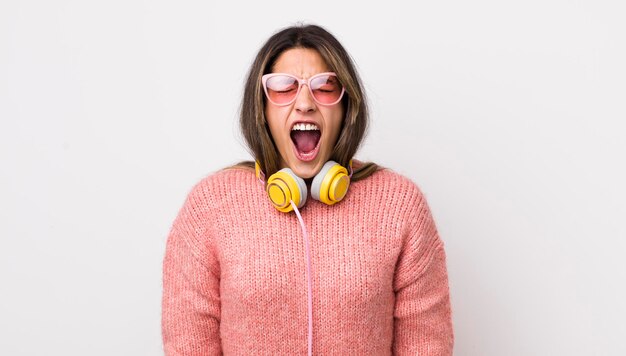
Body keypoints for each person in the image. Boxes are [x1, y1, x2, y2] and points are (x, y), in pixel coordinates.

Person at [161, 24, 454, 355]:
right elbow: (189, 344)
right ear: (263, 109)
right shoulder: (210, 206)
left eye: (325, 87)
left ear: (346, 108)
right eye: (283, 88)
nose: (304, 103)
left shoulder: (401, 205)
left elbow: (427, 345)